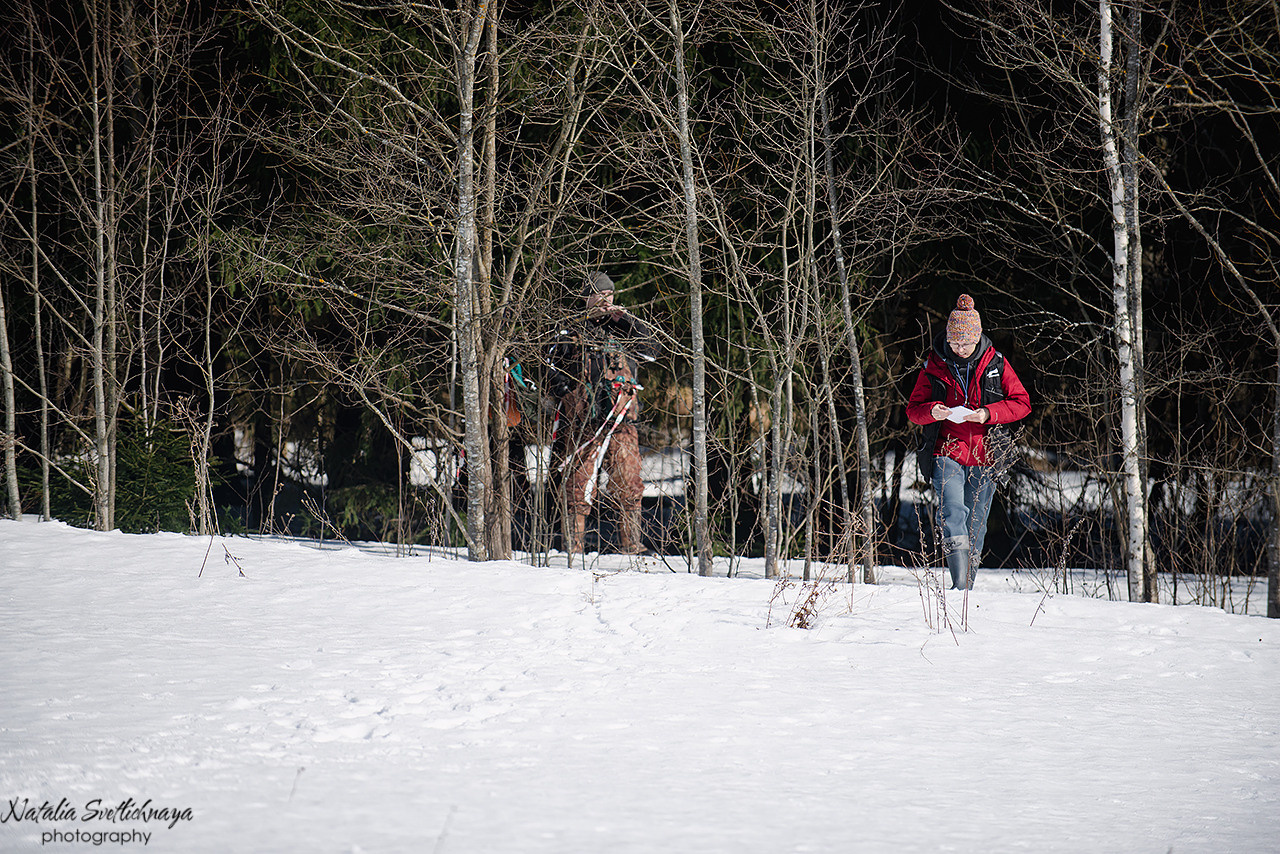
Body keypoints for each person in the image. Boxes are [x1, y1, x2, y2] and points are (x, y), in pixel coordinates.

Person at [906, 294, 1031, 590]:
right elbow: (913, 410)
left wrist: (988, 413)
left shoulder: (996, 364)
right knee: (952, 514)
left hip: (986, 456)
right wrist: (932, 411)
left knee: (976, 524)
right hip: (946, 451)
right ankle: (959, 587)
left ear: (977, 339)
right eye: (954, 343)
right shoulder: (934, 365)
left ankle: (966, 590)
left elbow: (1022, 403)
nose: (960, 349)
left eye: (965, 343)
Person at [547, 270, 662, 555]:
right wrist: (566, 390)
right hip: (583, 424)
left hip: (622, 422)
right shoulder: (570, 331)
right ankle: (573, 548)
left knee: (629, 481)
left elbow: (652, 351)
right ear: (587, 298)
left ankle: (631, 545)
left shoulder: (624, 328)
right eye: (600, 295)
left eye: (610, 295)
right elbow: (548, 369)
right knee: (578, 485)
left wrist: (625, 320)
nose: (606, 300)